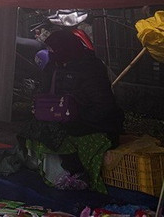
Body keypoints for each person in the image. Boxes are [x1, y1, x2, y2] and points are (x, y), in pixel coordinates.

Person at [19, 28, 124, 191]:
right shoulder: (58, 65)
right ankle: (49, 168)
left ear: (66, 48)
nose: (51, 53)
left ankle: (76, 172)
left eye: (54, 50)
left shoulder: (90, 69)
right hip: (69, 116)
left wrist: (76, 115)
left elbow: (105, 106)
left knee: (55, 131)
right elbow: (47, 92)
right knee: (32, 127)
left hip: (98, 123)